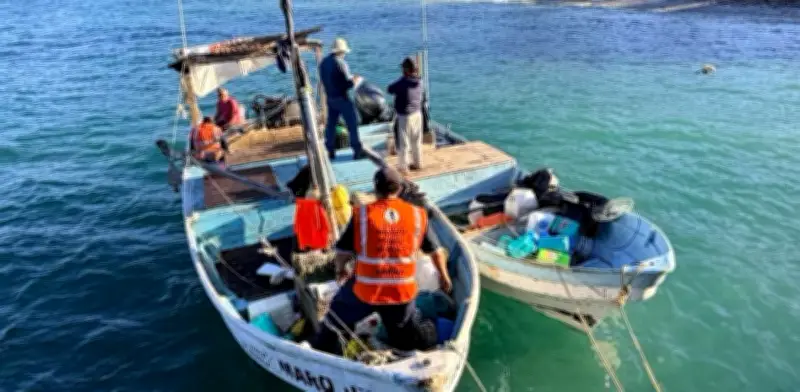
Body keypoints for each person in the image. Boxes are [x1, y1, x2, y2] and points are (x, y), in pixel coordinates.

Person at [310, 167, 452, 354]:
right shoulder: (418, 216)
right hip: (400, 294)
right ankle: (406, 348)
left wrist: (340, 270)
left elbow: (343, 252)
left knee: (334, 319)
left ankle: (322, 351)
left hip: (365, 290)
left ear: (375, 190)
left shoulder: (361, 214)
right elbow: (436, 251)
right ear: (400, 189)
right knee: (404, 338)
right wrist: (444, 276)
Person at [319, 37, 364, 160]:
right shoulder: (341, 63)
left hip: (330, 98)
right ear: (342, 51)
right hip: (342, 98)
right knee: (352, 123)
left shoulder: (323, 62)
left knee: (331, 125)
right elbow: (346, 83)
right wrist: (354, 81)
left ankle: (330, 150)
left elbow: (325, 80)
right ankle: (356, 150)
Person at [388, 57, 426, 174]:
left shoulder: (402, 83)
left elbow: (389, 89)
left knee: (403, 143)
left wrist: (402, 78)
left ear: (406, 70)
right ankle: (417, 163)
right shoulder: (420, 81)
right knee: (416, 141)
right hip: (418, 114)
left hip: (405, 117)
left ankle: (403, 168)